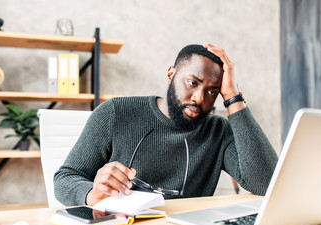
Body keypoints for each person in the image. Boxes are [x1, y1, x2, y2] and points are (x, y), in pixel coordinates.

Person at [54, 43, 278, 206]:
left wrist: (233, 97)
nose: (199, 98)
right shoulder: (116, 112)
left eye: (212, 91)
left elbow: (266, 183)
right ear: (171, 74)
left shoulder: (218, 131)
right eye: (192, 83)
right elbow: (65, 178)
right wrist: (93, 194)